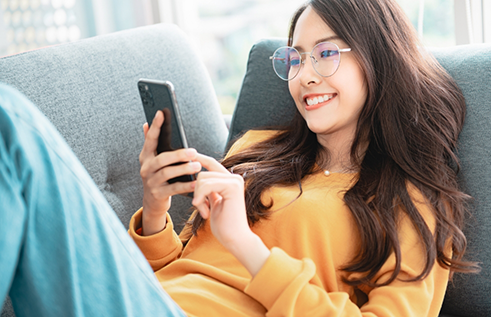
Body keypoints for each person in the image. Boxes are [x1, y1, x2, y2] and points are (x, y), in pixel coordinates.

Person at [0, 0, 479, 316]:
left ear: (380, 57)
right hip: (148, 301)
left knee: (11, 123)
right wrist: (155, 209)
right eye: (295, 59)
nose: (304, 76)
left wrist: (246, 244)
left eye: (325, 54)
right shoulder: (257, 149)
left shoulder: (413, 201)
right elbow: (178, 270)